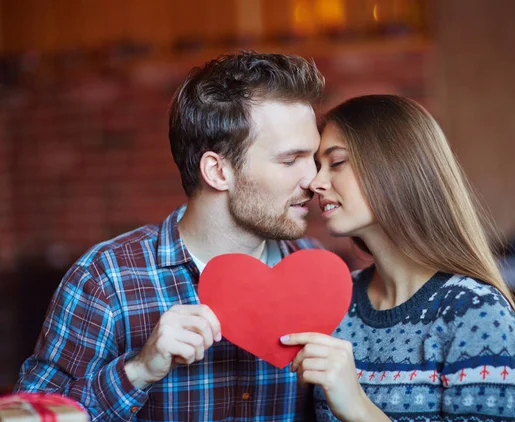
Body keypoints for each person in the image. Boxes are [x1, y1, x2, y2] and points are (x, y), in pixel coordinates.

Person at [15, 51, 326, 421]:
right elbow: (29, 417)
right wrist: (139, 371)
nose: (316, 180)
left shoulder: (317, 271)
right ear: (218, 171)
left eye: (315, 157)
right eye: (291, 161)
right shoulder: (105, 280)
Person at [281, 95, 515, 422]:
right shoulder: (335, 300)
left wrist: (357, 407)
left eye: (336, 163)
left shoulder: (476, 314)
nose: (315, 182)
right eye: (319, 167)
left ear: (394, 168)